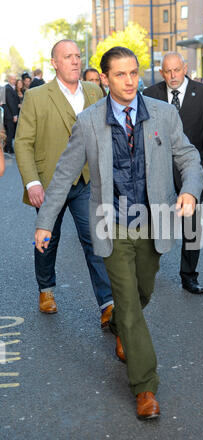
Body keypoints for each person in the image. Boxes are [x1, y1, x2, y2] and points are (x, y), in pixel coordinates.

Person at [34, 46, 202, 419]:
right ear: (105, 79)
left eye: (134, 73)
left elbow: (189, 157)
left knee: (142, 292)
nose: (130, 81)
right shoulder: (90, 121)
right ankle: (145, 387)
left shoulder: (163, 113)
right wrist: (45, 222)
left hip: (152, 221)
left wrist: (189, 189)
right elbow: (63, 175)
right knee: (126, 301)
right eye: (121, 75)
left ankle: (122, 323)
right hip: (111, 224)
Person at [15, 39, 114, 323]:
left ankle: (107, 303)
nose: (75, 61)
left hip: (86, 181)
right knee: (48, 238)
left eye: (78, 56)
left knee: (96, 239)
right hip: (50, 184)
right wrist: (32, 182)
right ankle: (45, 289)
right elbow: (22, 143)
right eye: (67, 56)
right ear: (54, 63)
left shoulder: (95, 91)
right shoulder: (36, 96)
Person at [144, 52, 203, 295]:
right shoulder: (150, 95)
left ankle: (189, 275)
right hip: (159, 171)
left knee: (192, 224)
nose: (172, 76)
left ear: (185, 68)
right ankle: (148, 270)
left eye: (177, 70)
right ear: (161, 72)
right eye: (167, 71)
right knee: (155, 221)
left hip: (193, 170)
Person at [3, 74, 19, 154]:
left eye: (15, 79)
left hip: (8, 114)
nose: (14, 81)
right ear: (9, 79)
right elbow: (11, 103)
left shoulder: (10, 88)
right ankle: (8, 148)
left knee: (10, 132)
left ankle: (7, 147)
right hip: (9, 115)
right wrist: (15, 115)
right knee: (10, 132)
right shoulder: (8, 88)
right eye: (13, 79)